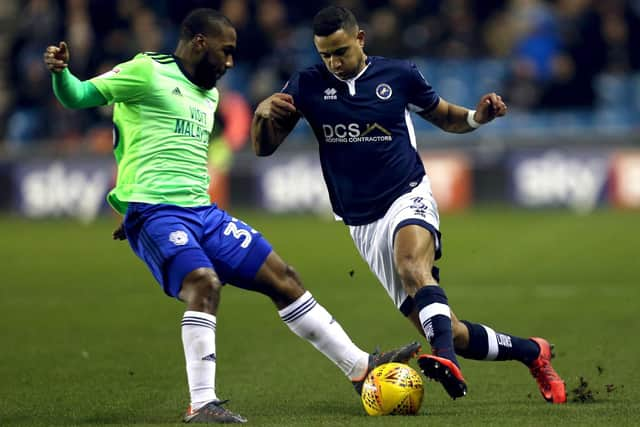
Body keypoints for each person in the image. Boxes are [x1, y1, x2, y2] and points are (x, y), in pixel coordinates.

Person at [44, 8, 421, 424]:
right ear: (199, 43)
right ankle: (201, 403)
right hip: (157, 215)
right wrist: (62, 73)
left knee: (283, 277)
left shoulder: (208, 96)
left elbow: (155, 151)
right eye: (225, 52)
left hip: (202, 213)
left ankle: (359, 369)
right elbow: (77, 97)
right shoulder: (145, 71)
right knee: (204, 284)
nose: (230, 63)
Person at [251, 5, 567, 404]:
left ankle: (446, 361)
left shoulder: (398, 74)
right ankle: (530, 352)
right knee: (450, 328)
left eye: (341, 51)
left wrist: (477, 117)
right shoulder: (307, 85)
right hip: (361, 222)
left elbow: (445, 116)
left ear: (360, 39)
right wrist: (261, 114)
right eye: (325, 54)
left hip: (407, 193)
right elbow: (263, 149)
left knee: (412, 267)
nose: (334, 62)